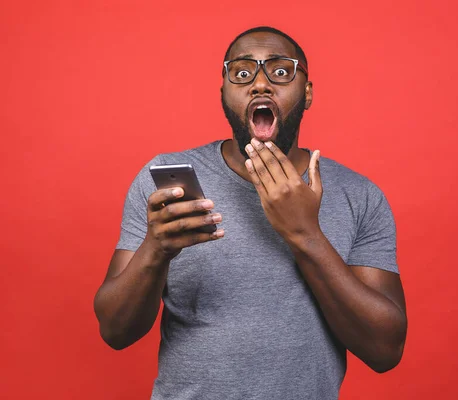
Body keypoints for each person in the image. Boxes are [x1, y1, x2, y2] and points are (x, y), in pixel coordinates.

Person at [94, 26, 407, 400]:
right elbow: (115, 331)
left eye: (280, 71)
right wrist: (155, 250)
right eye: (242, 73)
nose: (260, 84)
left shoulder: (359, 195)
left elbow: (385, 349)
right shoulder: (168, 183)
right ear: (224, 93)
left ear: (306, 94)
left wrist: (305, 234)